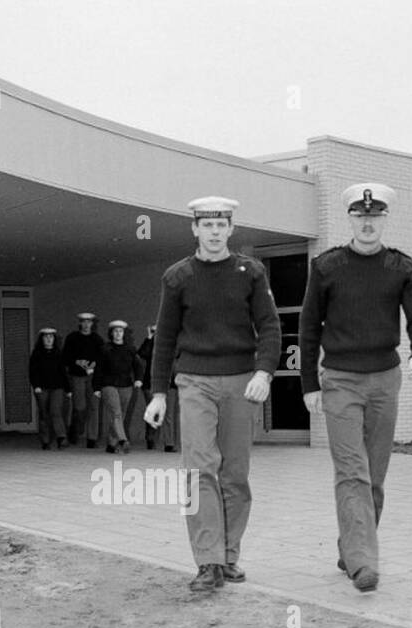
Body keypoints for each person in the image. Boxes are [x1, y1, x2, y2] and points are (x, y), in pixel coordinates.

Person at [299, 182, 412, 593]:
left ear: (384, 219)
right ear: (350, 219)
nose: (368, 223)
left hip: (384, 380)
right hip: (339, 380)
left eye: (375, 217)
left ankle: (351, 546)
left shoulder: (401, 269)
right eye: (361, 216)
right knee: (352, 473)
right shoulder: (327, 267)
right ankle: (363, 563)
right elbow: (307, 328)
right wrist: (309, 384)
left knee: (374, 475)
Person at [145, 196, 281, 594]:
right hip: (194, 382)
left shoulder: (250, 273)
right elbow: (165, 339)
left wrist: (265, 372)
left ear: (231, 228)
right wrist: (157, 394)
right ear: (195, 229)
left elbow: (270, 326)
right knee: (198, 469)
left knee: (234, 474)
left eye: (222, 225)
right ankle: (208, 561)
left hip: (242, 381)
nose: (215, 233)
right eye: (208, 226)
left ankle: (229, 556)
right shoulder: (178, 277)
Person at [95, 320, 144, 454]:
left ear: (124, 333)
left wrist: (138, 379)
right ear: (111, 333)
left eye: (120, 331)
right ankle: (123, 440)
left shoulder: (130, 349)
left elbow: (138, 366)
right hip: (108, 384)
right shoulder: (105, 349)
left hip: (126, 385)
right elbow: (98, 369)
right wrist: (96, 388)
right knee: (116, 413)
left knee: (119, 415)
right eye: (115, 331)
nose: (118, 333)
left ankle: (111, 444)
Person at [62, 312, 104, 448]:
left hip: (93, 377)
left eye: (89, 322)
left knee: (94, 407)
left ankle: (92, 438)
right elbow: (66, 358)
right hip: (77, 376)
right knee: (79, 407)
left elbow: (102, 358)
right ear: (80, 323)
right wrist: (80, 364)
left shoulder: (97, 339)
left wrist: (93, 367)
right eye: (84, 322)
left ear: (92, 323)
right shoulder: (72, 338)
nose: (86, 324)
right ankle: (74, 429)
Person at [137, 324, 178, 452]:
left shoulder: (172, 345)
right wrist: (149, 337)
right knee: (152, 411)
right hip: (151, 383)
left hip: (169, 384)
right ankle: (150, 440)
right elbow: (142, 354)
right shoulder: (152, 345)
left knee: (169, 414)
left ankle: (169, 444)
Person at [29, 326, 68, 449]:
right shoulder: (36, 354)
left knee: (56, 411)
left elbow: (63, 372)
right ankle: (45, 440)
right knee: (44, 413)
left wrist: (68, 389)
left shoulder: (59, 353)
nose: (49, 339)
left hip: (58, 387)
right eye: (46, 337)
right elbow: (32, 371)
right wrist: (36, 386)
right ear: (42, 339)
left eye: (51, 337)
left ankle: (61, 437)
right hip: (42, 388)